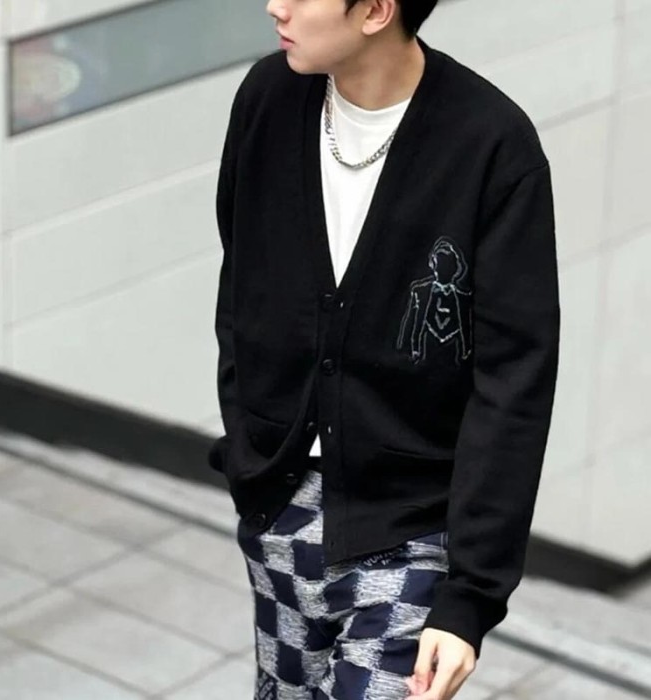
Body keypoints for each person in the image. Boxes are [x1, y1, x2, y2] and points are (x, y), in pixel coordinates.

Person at [209, 1, 560, 698]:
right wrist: (251, 440)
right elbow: (240, 281)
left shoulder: (490, 144)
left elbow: (514, 381)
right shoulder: (268, 98)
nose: (275, 5)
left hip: (411, 531)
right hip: (281, 504)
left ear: (374, 10)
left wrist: (470, 598)